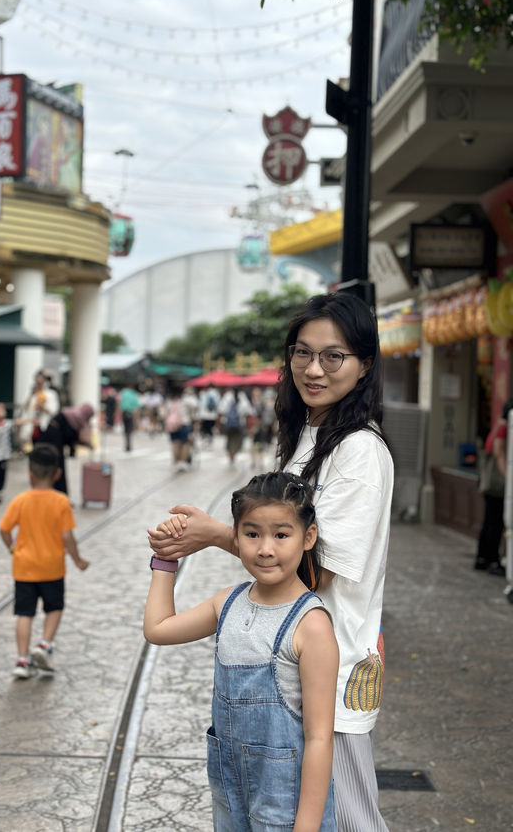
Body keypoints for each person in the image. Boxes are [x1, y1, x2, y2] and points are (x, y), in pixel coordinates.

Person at [149, 291, 394, 832]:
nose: (314, 368)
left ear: (365, 364)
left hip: (331, 669)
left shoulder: (359, 452)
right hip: (286, 666)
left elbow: (313, 570)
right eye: (302, 352)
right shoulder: (311, 433)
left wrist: (218, 534)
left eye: (334, 356)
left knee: (348, 820)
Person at [144, 471, 339, 831]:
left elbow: (319, 737)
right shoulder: (227, 603)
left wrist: (307, 827)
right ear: (235, 536)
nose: (265, 548)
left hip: (287, 809)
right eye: (252, 534)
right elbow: (158, 629)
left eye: (281, 535)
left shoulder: (311, 625)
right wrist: (165, 559)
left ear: (307, 537)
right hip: (231, 799)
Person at [0, 444, 89, 678]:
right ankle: (45, 644)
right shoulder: (61, 502)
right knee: (55, 607)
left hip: (24, 568)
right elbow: (67, 536)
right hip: (52, 568)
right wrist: (78, 560)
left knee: (24, 613)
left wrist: (11, 547)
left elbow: (4, 528)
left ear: (30, 474)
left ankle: (21, 659)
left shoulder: (21, 500)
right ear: (57, 474)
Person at [474, 398, 513, 575]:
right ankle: (492, 560)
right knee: (495, 522)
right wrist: (509, 477)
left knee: (490, 521)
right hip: (496, 485)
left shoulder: (497, 426)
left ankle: (482, 559)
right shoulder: (504, 428)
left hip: (490, 483)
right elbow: (498, 453)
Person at [36, 403, 94, 496]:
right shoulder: (79, 419)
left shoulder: (73, 413)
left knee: (55, 466)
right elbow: (78, 437)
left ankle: (54, 493)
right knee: (58, 466)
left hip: (50, 436)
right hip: (54, 440)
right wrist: (88, 444)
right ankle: (59, 494)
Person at [18, 370, 61, 450]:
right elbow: (25, 408)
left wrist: (43, 407)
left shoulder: (51, 394)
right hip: (33, 426)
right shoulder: (32, 394)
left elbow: (54, 410)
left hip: (46, 425)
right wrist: (31, 395)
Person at [218, 386, 254, 465]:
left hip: (227, 424)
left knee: (229, 440)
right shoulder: (242, 397)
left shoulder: (227, 396)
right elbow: (248, 412)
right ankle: (233, 455)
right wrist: (249, 426)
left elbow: (221, 410)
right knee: (237, 441)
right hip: (240, 424)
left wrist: (218, 424)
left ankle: (231, 456)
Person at [119, 384, 141, 452]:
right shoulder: (134, 394)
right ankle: (129, 444)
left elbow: (120, 403)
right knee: (129, 430)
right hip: (130, 413)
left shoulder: (123, 393)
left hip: (124, 413)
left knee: (126, 430)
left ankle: (127, 444)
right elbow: (137, 406)